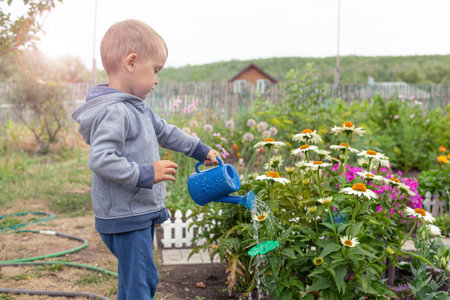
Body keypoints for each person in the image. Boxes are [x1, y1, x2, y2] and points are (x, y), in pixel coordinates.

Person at [71, 19, 220, 300]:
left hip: (133, 213)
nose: (156, 79)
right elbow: (101, 158)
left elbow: (165, 131)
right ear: (131, 63)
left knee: (133, 282)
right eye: (155, 70)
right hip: (127, 216)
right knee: (142, 283)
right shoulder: (116, 112)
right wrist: (145, 173)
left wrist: (200, 150)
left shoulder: (137, 108)